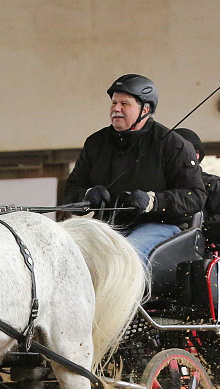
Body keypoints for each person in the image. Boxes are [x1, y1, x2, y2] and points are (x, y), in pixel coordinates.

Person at [64, 74, 207, 257]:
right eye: (114, 103)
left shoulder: (173, 144)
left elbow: (195, 196)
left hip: (159, 227)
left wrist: (153, 202)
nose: (116, 109)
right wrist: (87, 194)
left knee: (126, 257)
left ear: (145, 110)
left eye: (125, 104)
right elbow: (70, 191)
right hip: (106, 226)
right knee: (67, 254)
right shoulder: (95, 143)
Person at [173, 128, 220, 223]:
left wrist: (193, 224)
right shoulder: (158, 184)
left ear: (197, 155)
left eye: (183, 151)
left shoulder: (213, 186)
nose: (177, 156)